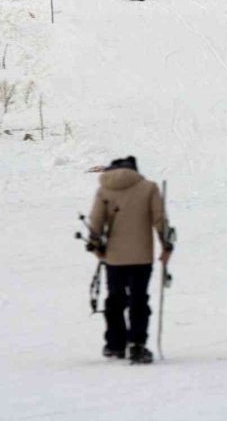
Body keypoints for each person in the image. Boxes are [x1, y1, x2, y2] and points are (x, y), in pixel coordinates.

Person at [87, 156, 173, 364]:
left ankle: (115, 344)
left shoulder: (104, 190)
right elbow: (159, 219)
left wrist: (95, 246)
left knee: (115, 299)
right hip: (141, 256)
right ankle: (137, 344)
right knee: (138, 300)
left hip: (114, 257)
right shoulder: (148, 188)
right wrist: (166, 245)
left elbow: (96, 220)